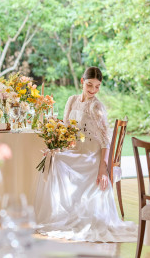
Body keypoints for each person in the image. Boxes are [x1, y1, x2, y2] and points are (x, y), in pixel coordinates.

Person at [34, 66, 137, 242]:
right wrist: (56, 144)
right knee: (51, 157)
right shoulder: (72, 100)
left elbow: (105, 140)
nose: (93, 90)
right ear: (82, 81)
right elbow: (66, 128)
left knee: (57, 161)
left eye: (97, 86)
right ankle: (63, 212)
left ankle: (71, 213)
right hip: (76, 148)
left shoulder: (96, 106)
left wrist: (103, 168)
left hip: (91, 153)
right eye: (90, 85)